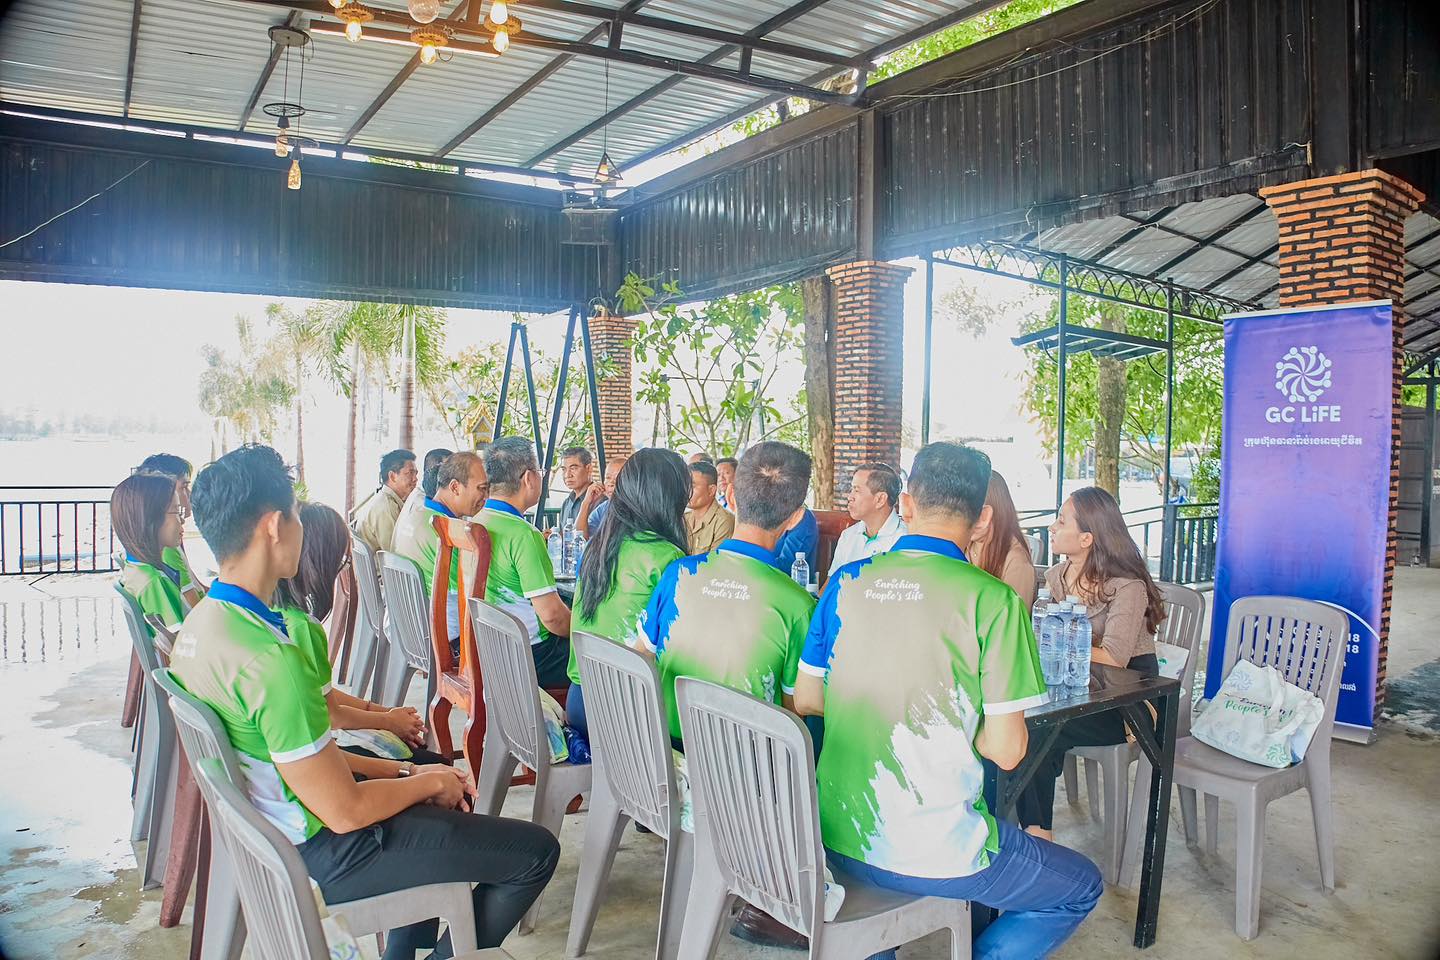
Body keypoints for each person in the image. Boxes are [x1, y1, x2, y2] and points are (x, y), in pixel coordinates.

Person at [169, 444, 559, 960]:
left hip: (281, 835)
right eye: (295, 515)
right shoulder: (270, 660)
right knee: (534, 852)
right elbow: (346, 811)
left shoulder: (203, 625)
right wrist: (427, 782)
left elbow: (309, 766)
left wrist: (413, 776)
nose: (300, 528)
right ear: (274, 526)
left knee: (431, 793)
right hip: (322, 852)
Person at [794, 442, 1100, 960]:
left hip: (832, 835)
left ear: (906, 505)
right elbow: (1007, 751)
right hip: (936, 848)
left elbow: (807, 698)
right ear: (982, 520)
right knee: (1080, 887)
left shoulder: (845, 583)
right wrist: (951, 716)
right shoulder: (994, 601)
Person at [641, 440, 816, 744]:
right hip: (746, 764)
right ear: (796, 517)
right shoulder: (797, 605)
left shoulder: (678, 574)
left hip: (668, 753)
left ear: (731, 495)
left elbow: (640, 659)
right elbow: (794, 711)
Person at [1017, 486, 1167, 839]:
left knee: (1036, 728)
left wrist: (1056, 641)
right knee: (1012, 718)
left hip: (1124, 702)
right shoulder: (1056, 576)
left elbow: (1114, 657)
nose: (1052, 527)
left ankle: (1038, 838)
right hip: (1071, 690)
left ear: (1087, 538)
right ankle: (1014, 828)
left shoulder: (1126, 587)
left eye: (1061, 520)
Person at [276, 501, 443, 764]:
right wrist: (387, 721)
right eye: (341, 563)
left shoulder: (278, 610)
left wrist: (385, 713)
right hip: (319, 753)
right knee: (433, 763)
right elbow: (332, 716)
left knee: (421, 754)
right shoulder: (303, 627)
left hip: (310, 747)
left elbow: (323, 695)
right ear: (322, 561)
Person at [566, 448, 690, 737]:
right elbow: (678, 647)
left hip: (580, 700)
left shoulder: (597, 547)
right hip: (625, 712)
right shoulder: (667, 558)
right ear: (671, 499)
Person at [478, 437, 572, 688]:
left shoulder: (476, 520)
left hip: (489, 645)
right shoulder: (523, 535)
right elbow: (553, 618)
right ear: (529, 478)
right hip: (530, 656)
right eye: (541, 471)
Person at [392, 452, 489, 646]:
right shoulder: (446, 531)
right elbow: (479, 592)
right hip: (446, 639)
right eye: (481, 489)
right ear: (455, 487)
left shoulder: (418, 514)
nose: (486, 497)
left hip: (410, 628)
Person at [112, 472, 189, 635]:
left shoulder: (136, 568)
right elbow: (178, 641)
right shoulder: (154, 582)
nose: (182, 520)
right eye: (176, 511)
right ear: (151, 519)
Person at [135, 453, 203, 606]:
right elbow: (194, 606)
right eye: (184, 487)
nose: (190, 495)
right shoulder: (167, 547)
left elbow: (199, 588)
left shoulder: (165, 541)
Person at [967, 470, 1038, 607]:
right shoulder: (965, 544)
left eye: (975, 511)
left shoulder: (1016, 561)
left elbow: (1015, 616)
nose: (967, 519)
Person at [829, 462, 907, 572]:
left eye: (857, 490)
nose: (850, 497)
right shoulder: (848, 535)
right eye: (851, 490)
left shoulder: (905, 539)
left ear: (880, 499)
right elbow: (832, 580)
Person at [350, 449, 417, 554]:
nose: (415, 479)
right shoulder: (386, 507)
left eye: (416, 473)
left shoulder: (384, 500)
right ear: (392, 476)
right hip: (383, 565)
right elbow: (395, 553)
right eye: (410, 473)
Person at [684, 459, 735, 555]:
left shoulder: (724, 521)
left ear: (711, 490)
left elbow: (715, 562)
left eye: (692, 486)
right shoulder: (684, 519)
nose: (686, 490)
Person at [577, 455, 625, 539]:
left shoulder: (637, 508)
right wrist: (586, 503)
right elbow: (580, 538)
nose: (611, 483)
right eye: (608, 478)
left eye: (617, 478)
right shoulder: (603, 508)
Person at [555, 446, 600, 534]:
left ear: (589, 468)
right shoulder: (567, 502)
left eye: (573, 468)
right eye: (564, 469)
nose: (567, 475)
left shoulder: (599, 500)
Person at [773, 505, 818, 580]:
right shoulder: (767, 514)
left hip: (789, 584)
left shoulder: (802, 518)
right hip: (763, 579)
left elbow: (786, 566)